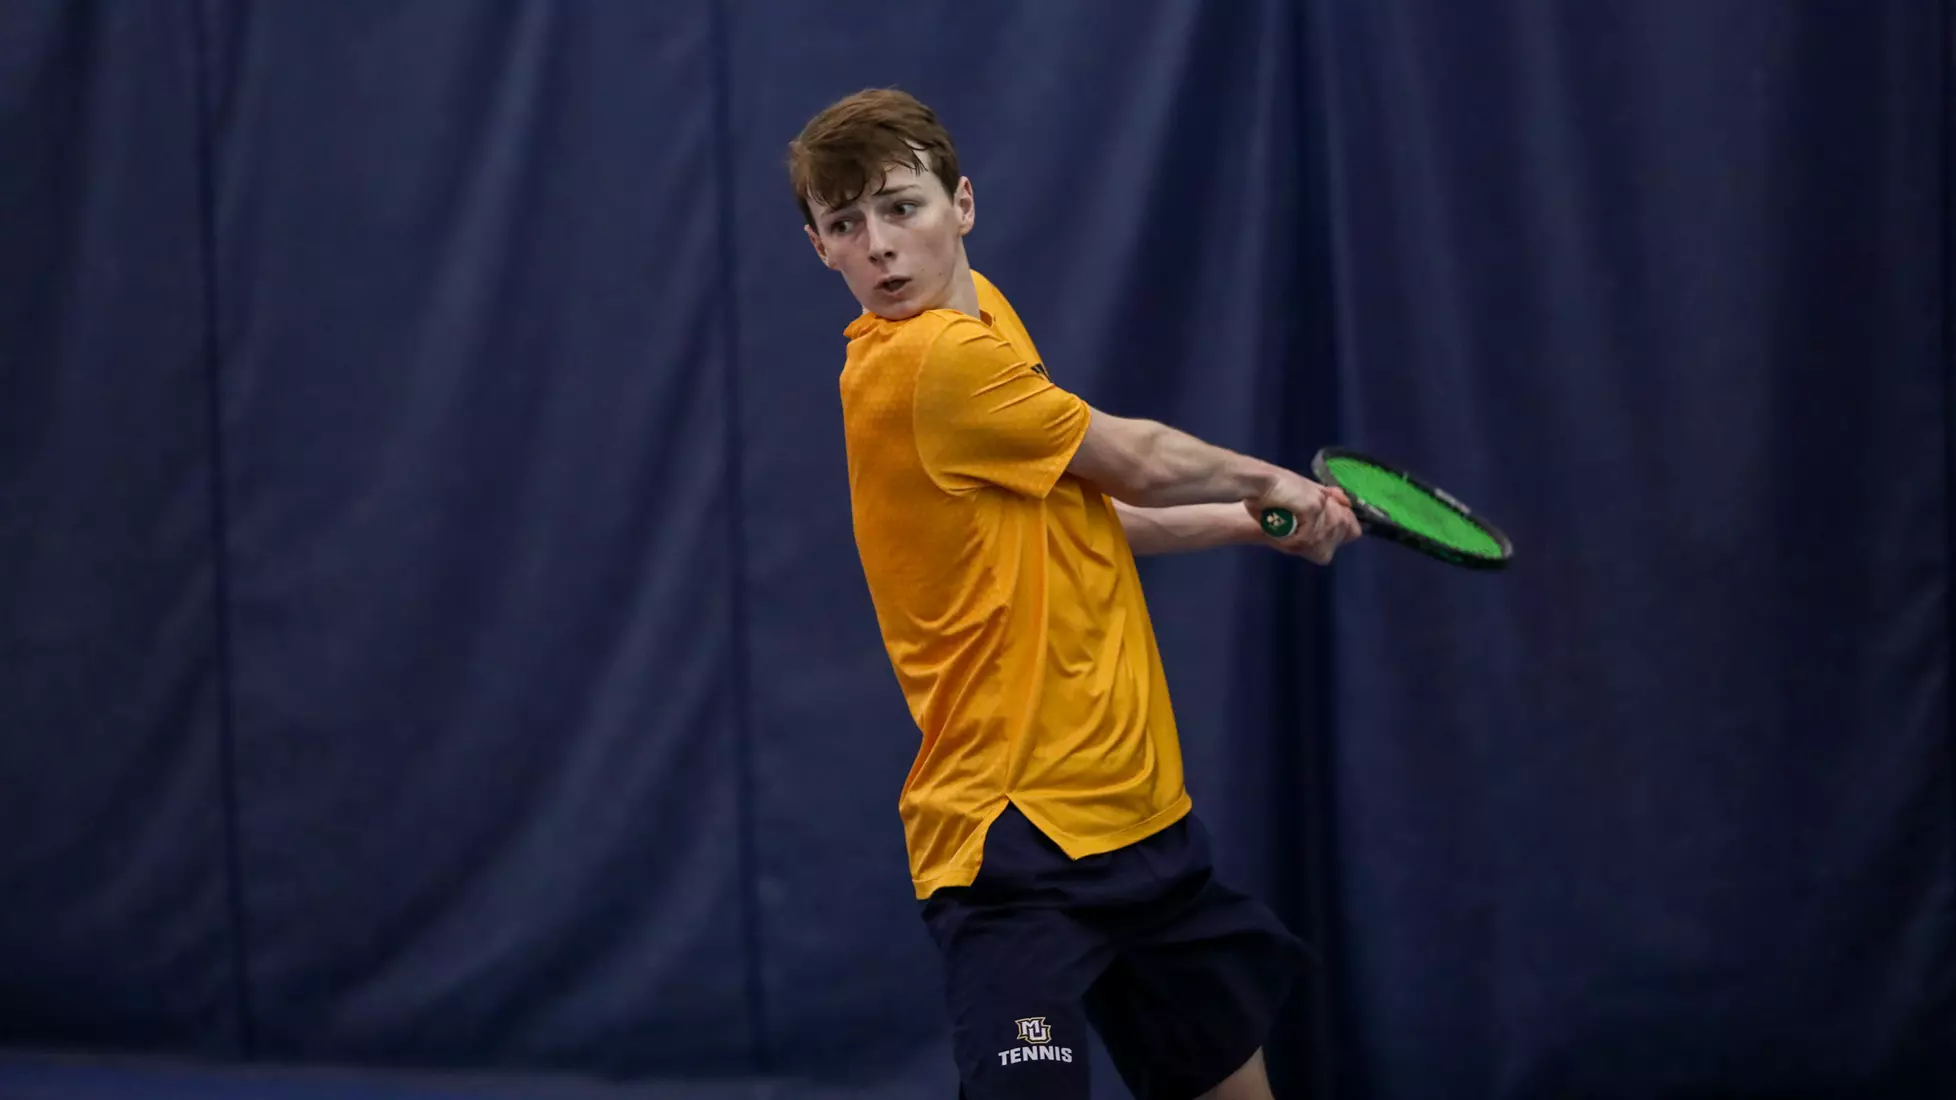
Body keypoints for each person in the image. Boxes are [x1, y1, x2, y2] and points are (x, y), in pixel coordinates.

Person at [787, 88, 1362, 1100]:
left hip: (1142, 819)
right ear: (820, 249)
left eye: (900, 207)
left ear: (962, 204)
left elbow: (1076, 517)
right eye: (846, 224)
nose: (879, 245)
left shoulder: (984, 313)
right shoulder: (928, 358)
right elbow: (1133, 461)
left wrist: (1241, 523)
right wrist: (1268, 481)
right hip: (1014, 843)